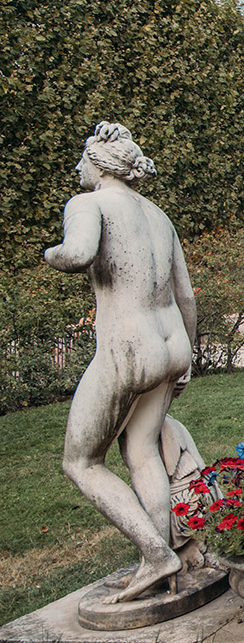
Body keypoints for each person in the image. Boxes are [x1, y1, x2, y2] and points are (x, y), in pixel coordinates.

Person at [45, 122, 197, 604]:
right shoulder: (158, 215)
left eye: (82, 159)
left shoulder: (86, 204)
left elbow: (78, 253)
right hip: (171, 344)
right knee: (143, 451)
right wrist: (189, 356)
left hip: (129, 347)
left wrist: (50, 252)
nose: (77, 168)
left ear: (99, 164)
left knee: (81, 461)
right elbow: (186, 295)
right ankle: (162, 565)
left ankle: (156, 556)